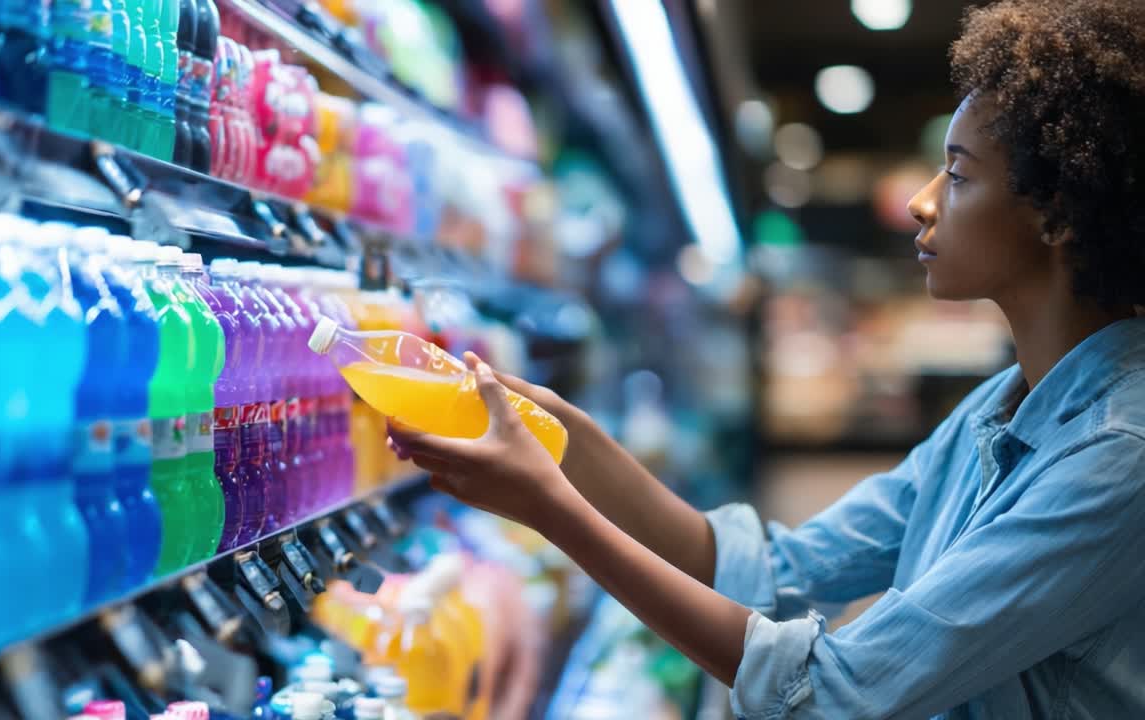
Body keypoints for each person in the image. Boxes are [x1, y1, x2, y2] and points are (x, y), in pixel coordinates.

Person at [388, 1, 1145, 717]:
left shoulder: (1118, 458)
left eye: (957, 173)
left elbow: (832, 694)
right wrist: (564, 439)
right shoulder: (999, 409)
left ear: (1055, 212)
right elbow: (774, 571)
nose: (921, 202)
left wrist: (550, 510)